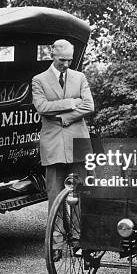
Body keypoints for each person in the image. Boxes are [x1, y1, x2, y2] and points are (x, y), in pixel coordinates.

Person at [31, 39, 94, 211]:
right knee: (55, 194)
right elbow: (42, 107)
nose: (66, 64)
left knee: (79, 192)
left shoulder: (79, 77)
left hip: (78, 143)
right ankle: (57, 236)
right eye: (62, 60)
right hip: (53, 144)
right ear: (52, 55)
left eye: (69, 60)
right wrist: (71, 102)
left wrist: (63, 118)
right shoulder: (39, 80)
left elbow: (89, 105)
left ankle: (77, 235)